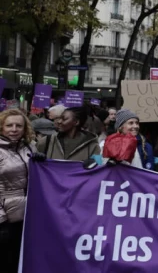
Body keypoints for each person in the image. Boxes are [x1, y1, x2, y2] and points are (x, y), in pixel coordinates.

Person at [0, 109, 35, 271]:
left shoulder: (29, 147)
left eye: (18, 126)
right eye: (9, 125)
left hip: (26, 216)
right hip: (5, 219)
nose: (14, 129)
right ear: (1, 127)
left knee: (18, 261)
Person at [37, 107, 102, 163]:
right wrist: (36, 158)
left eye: (64, 119)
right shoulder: (47, 141)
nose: (59, 121)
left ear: (76, 122)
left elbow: (98, 168)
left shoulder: (93, 146)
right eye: (59, 118)